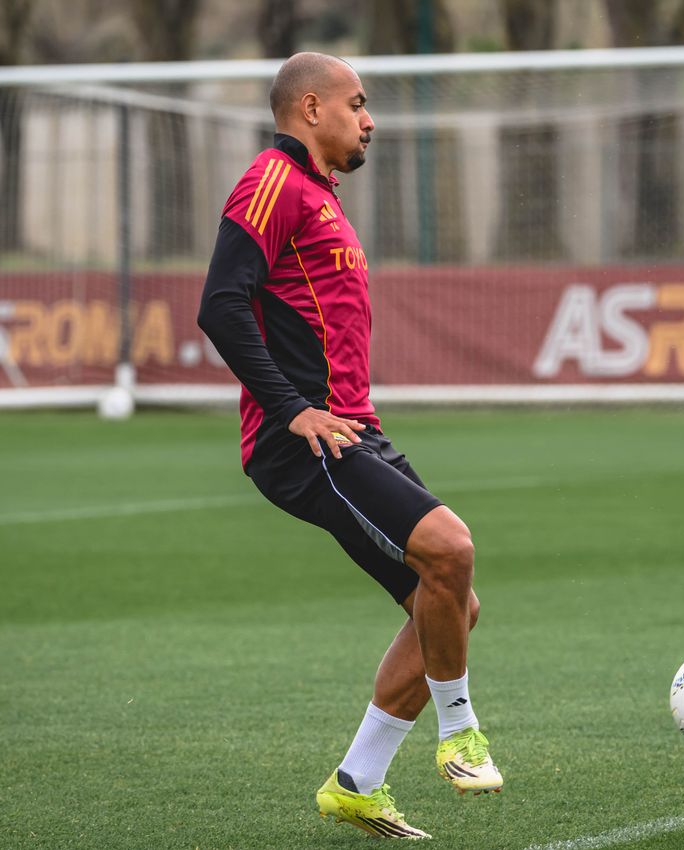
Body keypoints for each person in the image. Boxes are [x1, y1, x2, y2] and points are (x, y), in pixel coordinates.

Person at [197, 52, 502, 840]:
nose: (369, 119)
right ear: (309, 108)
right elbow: (221, 304)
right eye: (357, 103)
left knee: (451, 606)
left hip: (350, 434)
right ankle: (459, 735)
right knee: (451, 549)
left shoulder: (318, 196)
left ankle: (357, 783)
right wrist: (291, 408)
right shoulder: (269, 181)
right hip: (304, 441)